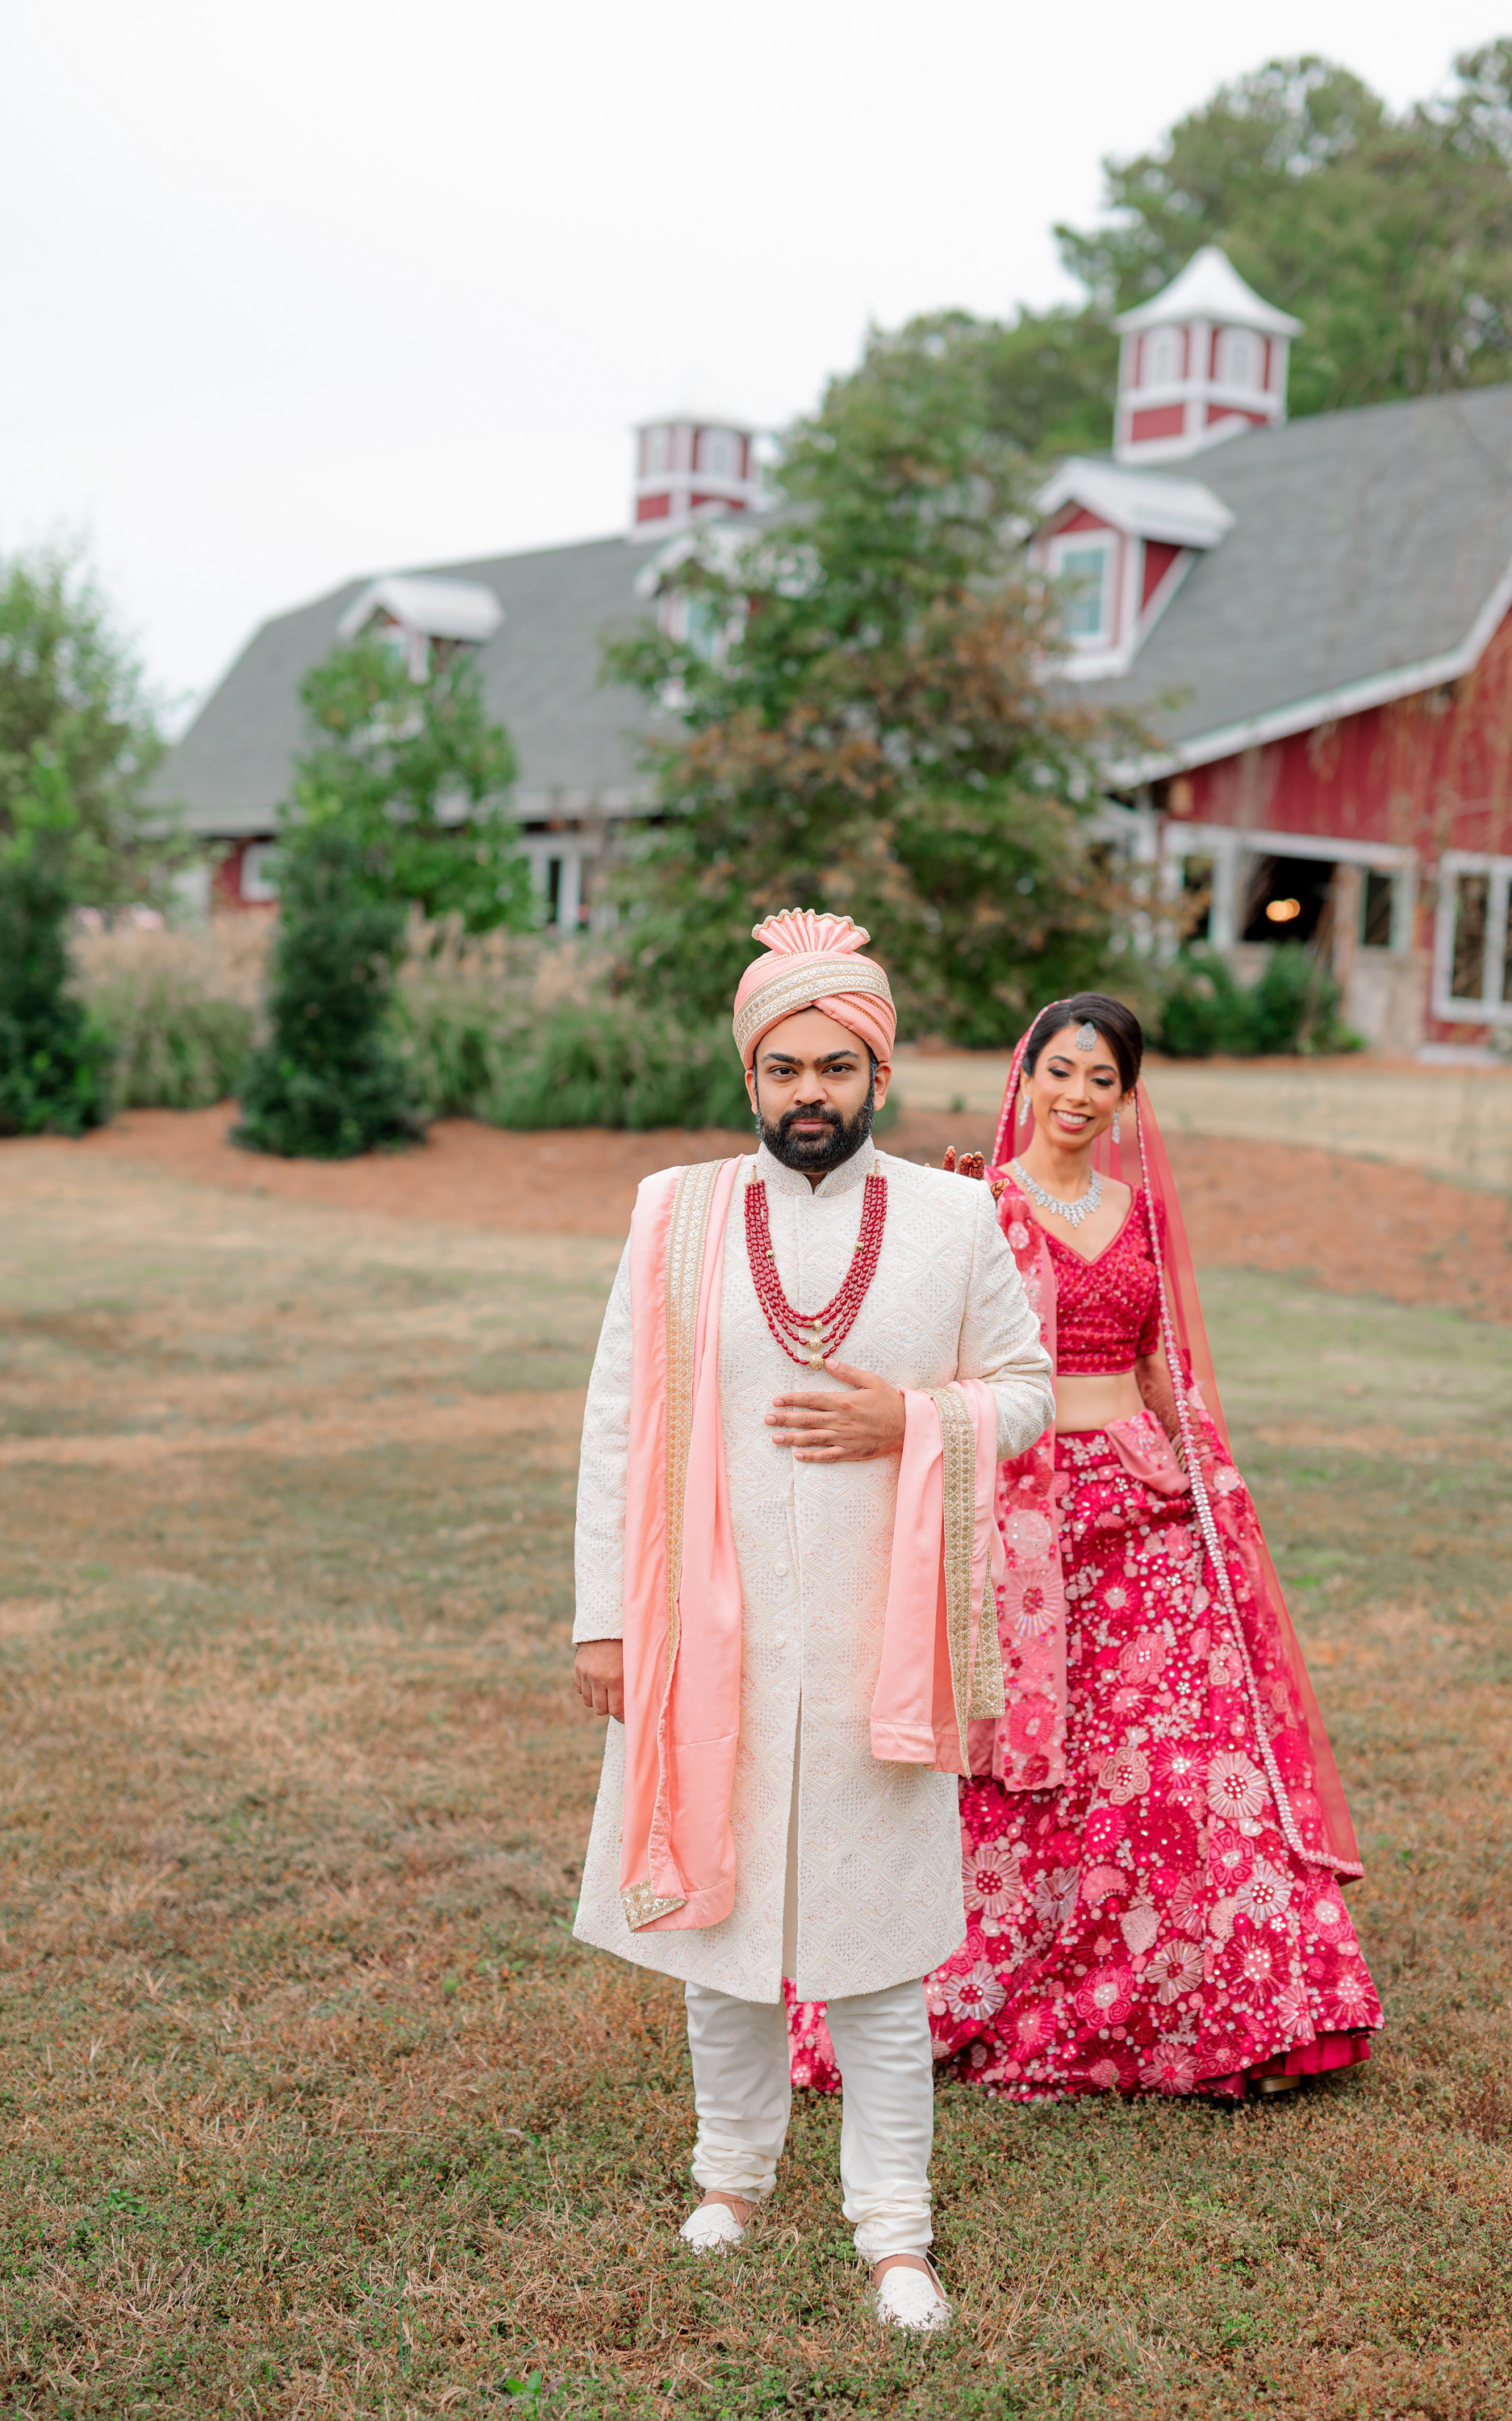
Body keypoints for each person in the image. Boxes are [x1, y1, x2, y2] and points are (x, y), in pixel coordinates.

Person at [569, 910, 1054, 2330]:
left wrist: (909, 1420)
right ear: (749, 1076)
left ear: (877, 1074)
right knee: (714, 1926)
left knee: (875, 1951)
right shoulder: (677, 1213)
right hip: (701, 1637)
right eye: (785, 1067)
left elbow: (1021, 1388)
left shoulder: (957, 1220)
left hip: (872, 1642)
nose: (810, 1094)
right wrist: (604, 1621)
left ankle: (893, 2228)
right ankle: (731, 2178)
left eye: (836, 1066)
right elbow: (616, 1421)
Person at [788, 993, 1382, 2104]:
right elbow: (930, 1350)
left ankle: (1232, 2004)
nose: (1077, 1095)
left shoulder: (1138, 1214)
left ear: (1125, 1097)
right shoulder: (974, 1205)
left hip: (1144, 1501)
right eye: (1060, 1070)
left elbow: (1165, 1367)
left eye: (1100, 1079)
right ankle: (991, 1984)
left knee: (1186, 1760)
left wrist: (1207, 1477)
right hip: (1021, 1514)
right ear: (1027, 1077)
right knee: (1022, 1765)